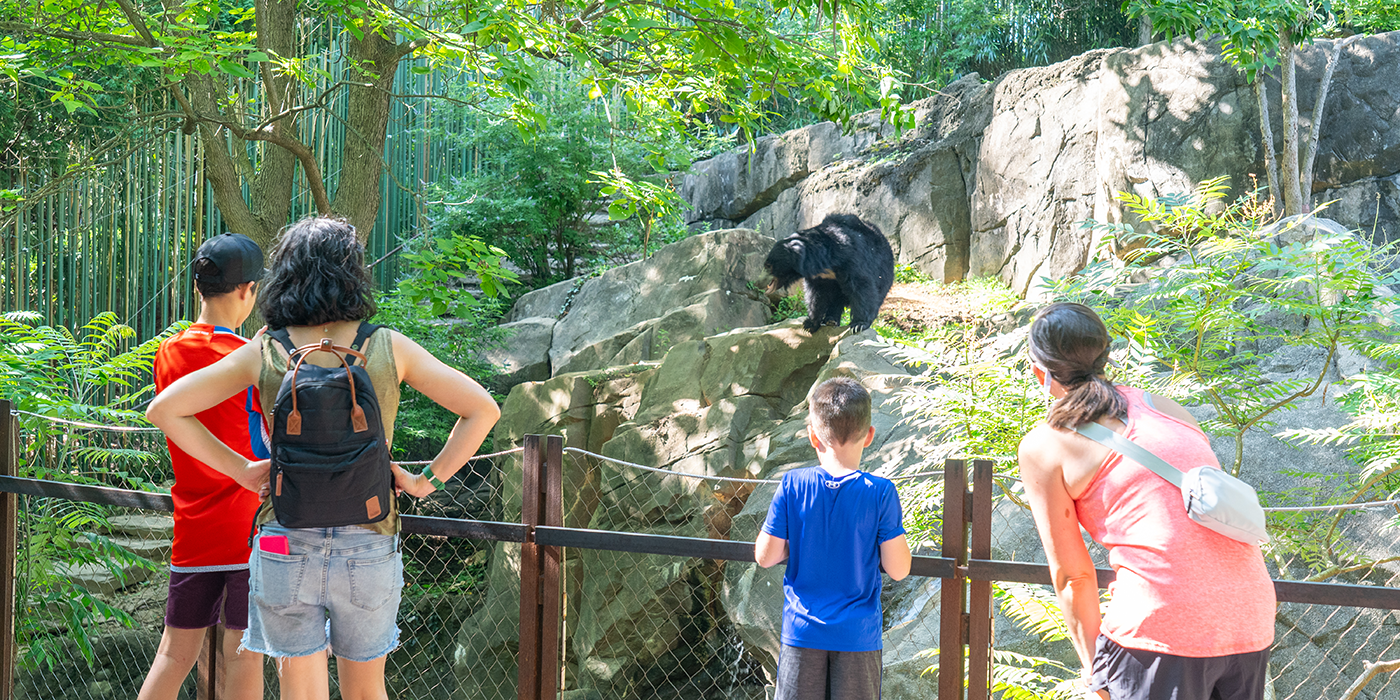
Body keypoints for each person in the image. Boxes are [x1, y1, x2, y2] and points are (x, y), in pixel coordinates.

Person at [147, 216, 501, 700]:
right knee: (365, 692)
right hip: (371, 537)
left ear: (286, 273)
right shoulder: (386, 346)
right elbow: (482, 409)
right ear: (354, 271)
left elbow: (165, 410)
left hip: (283, 540)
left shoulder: (267, 350)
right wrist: (425, 482)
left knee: (301, 692)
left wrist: (245, 471)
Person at [1017, 302, 1274, 700]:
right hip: (1249, 616)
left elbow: (1073, 576)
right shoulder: (1168, 409)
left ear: (1039, 372)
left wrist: (1095, 672)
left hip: (1161, 627)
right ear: (1106, 356)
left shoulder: (1045, 445)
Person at [139, 232, 268, 700]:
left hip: (192, 524)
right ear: (246, 291)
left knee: (174, 654)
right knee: (244, 653)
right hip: (247, 523)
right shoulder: (248, 360)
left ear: (199, 287)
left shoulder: (168, 352)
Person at [754, 376, 912, 700]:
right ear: (869, 435)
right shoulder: (881, 493)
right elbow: (898, 569)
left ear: (813, 436)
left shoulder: (793, 484)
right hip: (858, 636)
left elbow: (765, 556)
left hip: (802, 630)